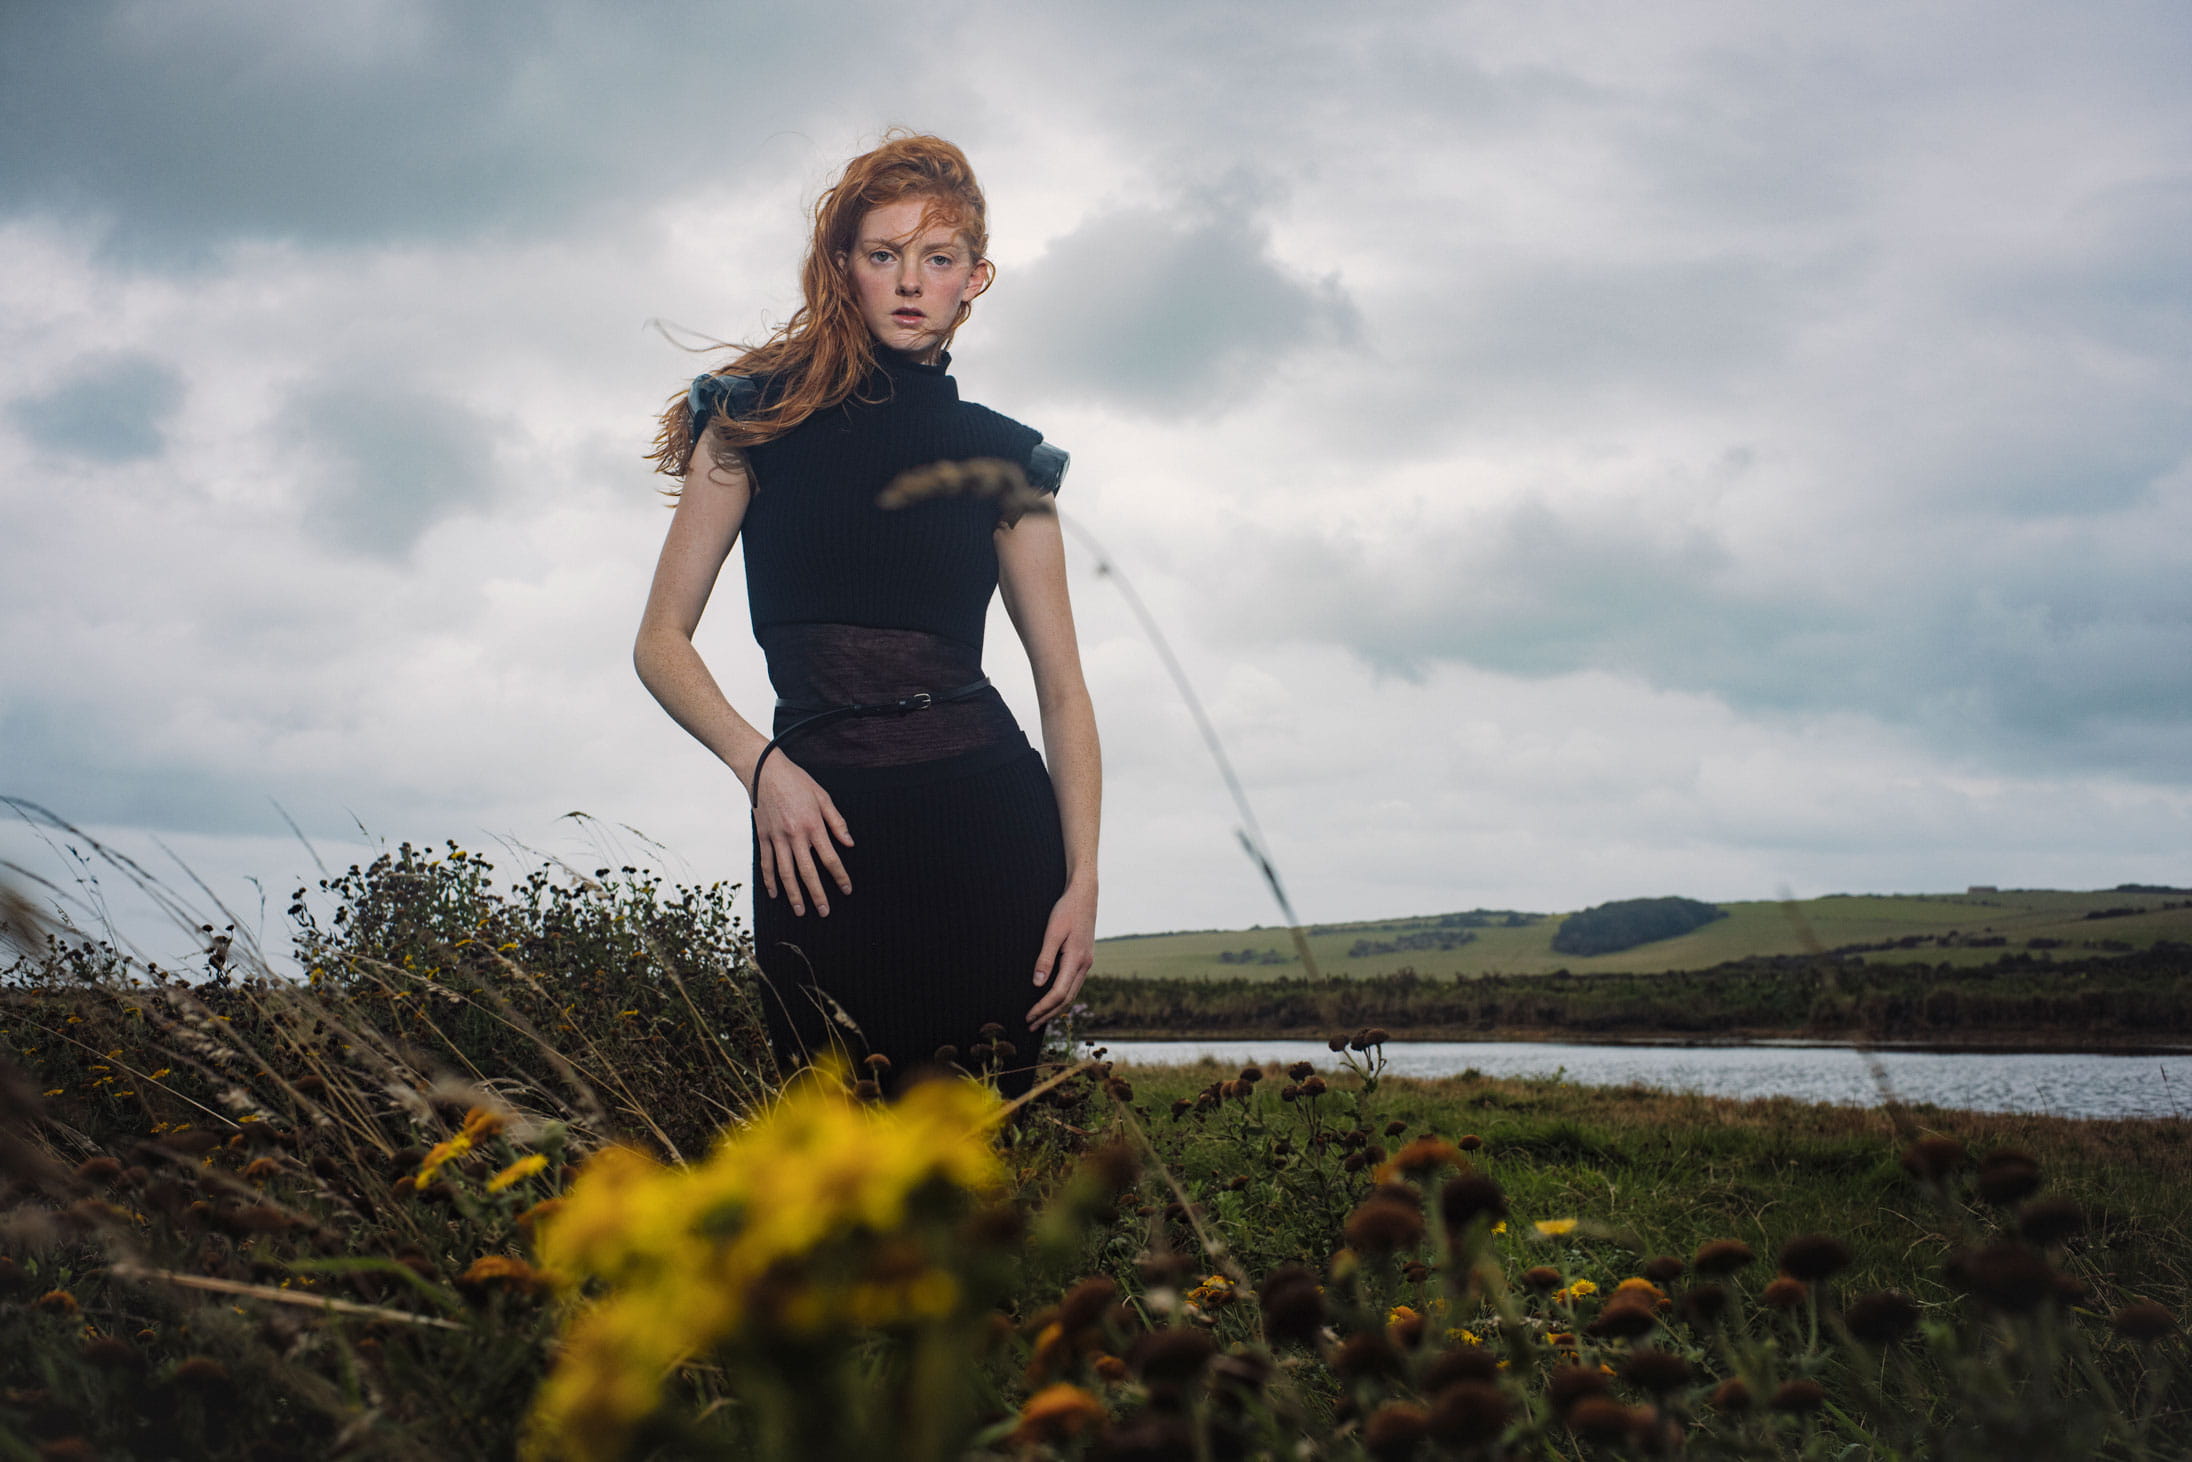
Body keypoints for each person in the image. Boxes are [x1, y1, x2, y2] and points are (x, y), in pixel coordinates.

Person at [632, 133, 1099, 1099]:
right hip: (814, 841)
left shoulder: (1006, 460)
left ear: (977, 278)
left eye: (938, 259)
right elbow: (659, 643)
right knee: (831, 1155)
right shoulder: (753, 423)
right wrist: (761, 767)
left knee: (973, 1173)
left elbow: (1063, 690)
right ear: (844, 267)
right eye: (883, 254)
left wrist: (1082, 881)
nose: (909, 282)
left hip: (989, 832)